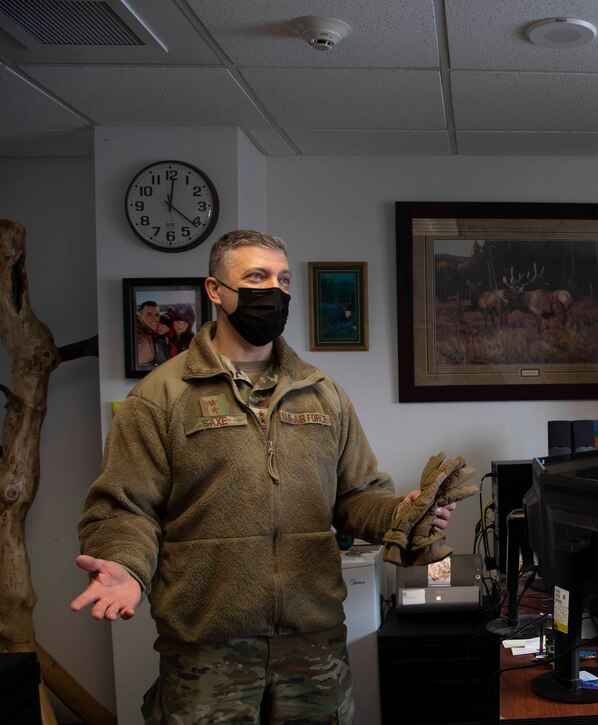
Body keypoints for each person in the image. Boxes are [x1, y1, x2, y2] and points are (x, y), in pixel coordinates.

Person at [72, 230, 472, 723]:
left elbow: (356, 496)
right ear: (215, 290)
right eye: (256, 277)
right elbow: (125, 507)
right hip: (207, 651)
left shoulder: (323, 394)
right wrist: (126, 567)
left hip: (312, 644)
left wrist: (403, 513)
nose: (274, 291)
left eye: (282, 279)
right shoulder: (162, 397)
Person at [134, 300, 169, 368]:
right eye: (149, 315)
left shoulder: (150, 329)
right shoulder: (137, 334)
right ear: (140, 316)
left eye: (157, 315)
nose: (154, 319)